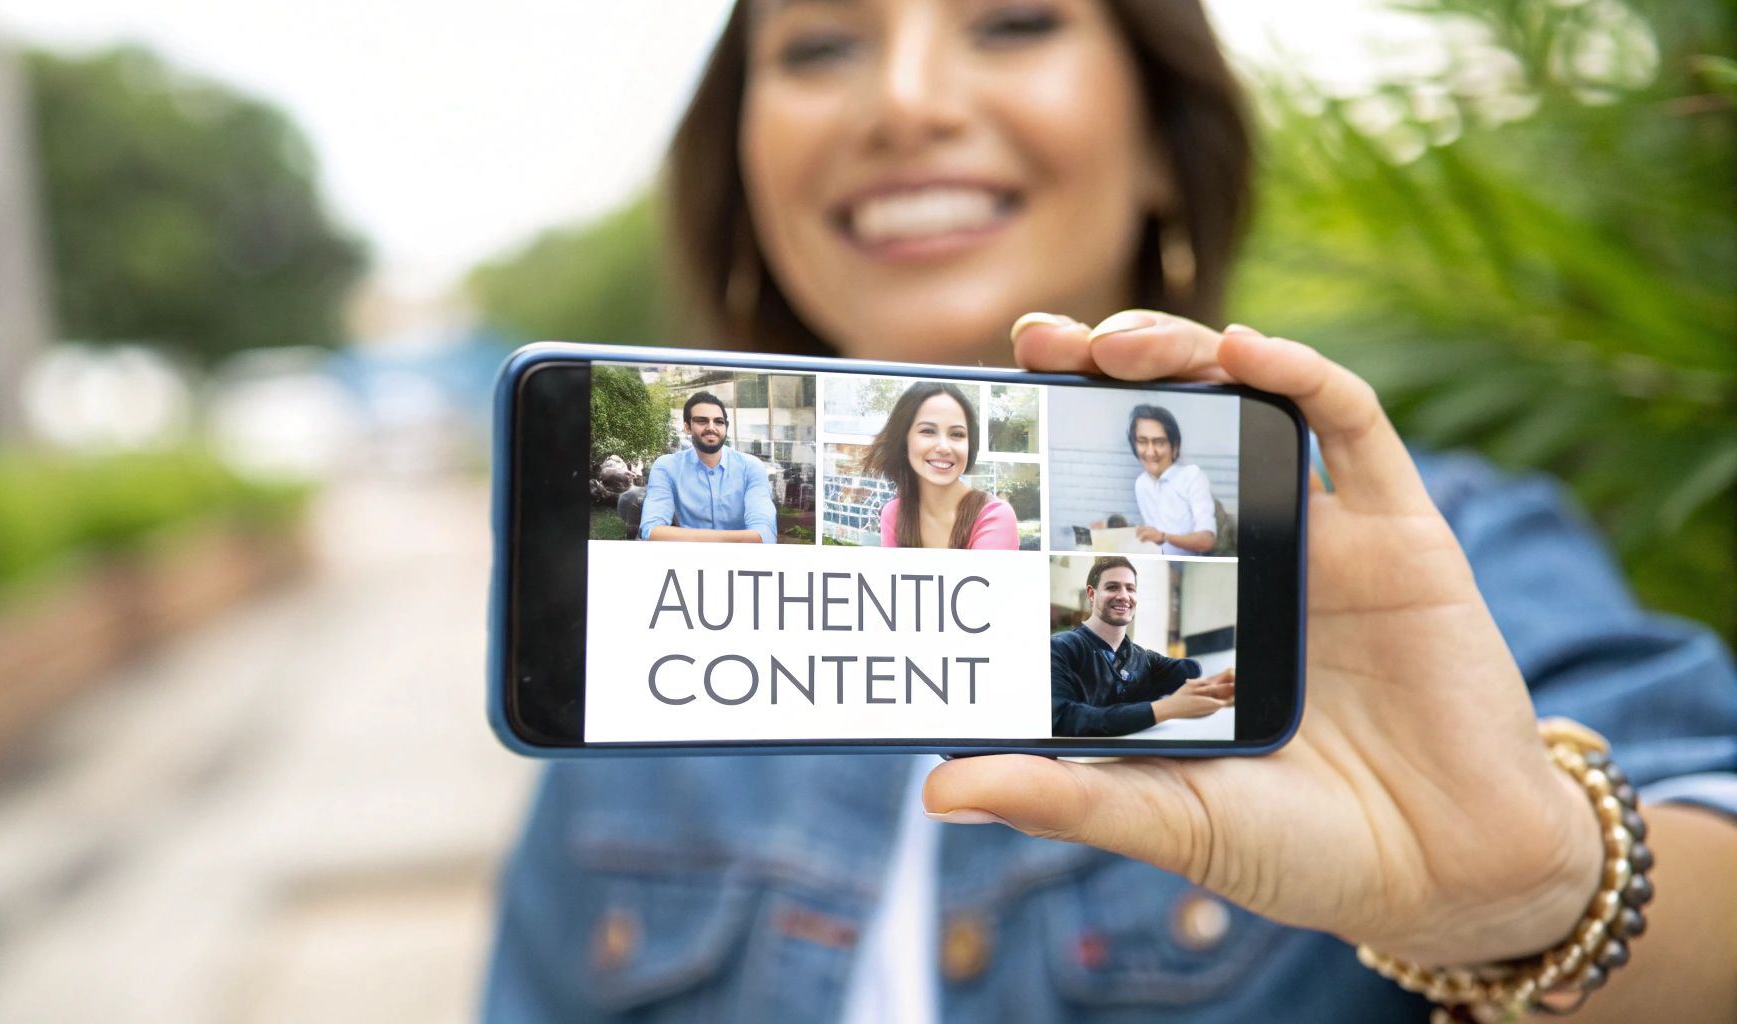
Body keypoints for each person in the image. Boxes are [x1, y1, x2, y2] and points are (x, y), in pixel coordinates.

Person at [488, 1, 1737, 1021]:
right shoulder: (635, 687)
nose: (905, 99)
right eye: (818, 45)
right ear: (744, 165)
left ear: (1157, 136)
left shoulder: (1405, 567)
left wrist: (1531, 890)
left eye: (1015, 22)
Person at [1050, 556, 1233, 736]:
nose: (1123, 596)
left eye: (1130, 588)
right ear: (1091, 594)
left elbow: (1188, 671)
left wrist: (1219, 684)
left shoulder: (1142, 658)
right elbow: (1064, 719)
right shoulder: (1059, 648)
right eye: (1112, 587)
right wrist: (1167, 708)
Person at [861, 381, 1018, 549]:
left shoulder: (994, 516)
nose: (944, 447)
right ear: (904, 440)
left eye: (957, 434)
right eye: (928, 431)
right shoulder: (894, 514)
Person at [638, 391, 777, 544]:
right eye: (702, 421)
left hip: (741, 564)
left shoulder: (750, 467)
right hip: (688, 564)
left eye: (719, 422)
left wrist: (680, 536)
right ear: (687, 427)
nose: (711, 428)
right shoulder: (667, 467)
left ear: (725, 427)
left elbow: (765, 535)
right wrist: (740, 538)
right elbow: (651, 531)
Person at [1128, 403, 1218, 554]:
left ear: (1174, 446)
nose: (1150, 452)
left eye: (1159, 442)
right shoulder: (1141, 484)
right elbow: (1153, 540)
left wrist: (1164, 536)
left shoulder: (1193, 476)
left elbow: (1207, 540)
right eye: (1142, 441)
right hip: (1160, 568)